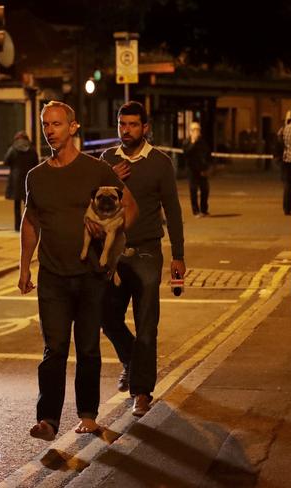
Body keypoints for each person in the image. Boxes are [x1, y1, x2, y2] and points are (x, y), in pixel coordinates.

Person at [19, 101, 138, 441]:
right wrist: (24, 266)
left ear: (72, 127)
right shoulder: (36, 176)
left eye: (56, 124)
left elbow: (129, 206)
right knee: (53, 350)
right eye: (45, 125)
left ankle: (87, 415)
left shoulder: (95, 169)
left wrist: (113, 228)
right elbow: (31, 222)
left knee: (87, 348)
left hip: (90, 275)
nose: (50, 131)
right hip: (53, 276)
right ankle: (48, 420)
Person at [99, 101, 185, 417]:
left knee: (147, 323)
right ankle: (133, 360)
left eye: (133, 125)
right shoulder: (107, 159)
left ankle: (142, 391)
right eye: (122, 124)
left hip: (148, 250)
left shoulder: (160, 163)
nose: (127, 130)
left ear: (145, 127)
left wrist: (178, 255)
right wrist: (107, 176)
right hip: (114, 252)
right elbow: (89, 198)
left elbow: (173, 210)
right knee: (106, 317)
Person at [4, 131, 39, 231]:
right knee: (28, 204)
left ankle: (17, 227)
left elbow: (6, 161)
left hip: (16, 180)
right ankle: (28, 225)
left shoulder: (13, 149)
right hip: (28, 179)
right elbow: (36, 163)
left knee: (17, 205)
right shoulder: (32, 149)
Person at [182, 121, 211, 217]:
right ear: (190, 131)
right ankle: (195, 211)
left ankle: (204, 210)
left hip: (202, 169)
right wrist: (193, 142)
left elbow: (207, 154)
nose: (196, 131)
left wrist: (206, 167)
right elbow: (186, 154)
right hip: (192, 170)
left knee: (205, 190)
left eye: (198, 129)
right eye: (194, 130)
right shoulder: (186, 142)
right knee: (193, 190)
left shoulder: (202, 142)